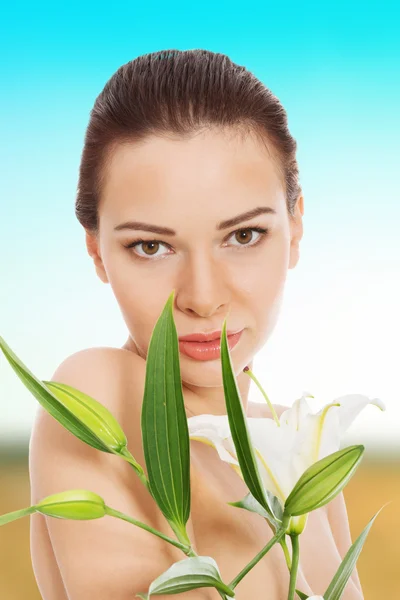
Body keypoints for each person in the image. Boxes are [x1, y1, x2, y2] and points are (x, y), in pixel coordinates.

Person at [29, 49, 364, 599]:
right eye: (152, 246)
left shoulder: (305, 449)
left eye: (244, 236)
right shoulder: (96, 392)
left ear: (296, 226)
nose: (203, 299)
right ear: (96, 252)